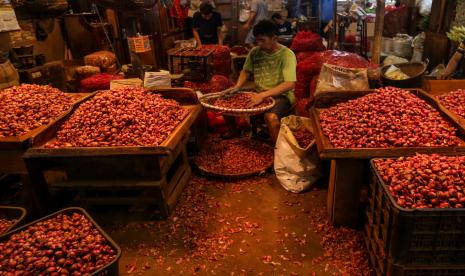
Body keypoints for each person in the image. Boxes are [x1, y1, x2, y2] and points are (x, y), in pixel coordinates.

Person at [232, 20, 297, 144]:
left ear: (274, 38)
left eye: (263, 40)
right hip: (259, 93)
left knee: (271, 118)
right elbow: (246, 71)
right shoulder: (255, 52)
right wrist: (237, 86)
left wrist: (262, 95)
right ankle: (238, 135)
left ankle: (279, 152)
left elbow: (289, 84)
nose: (259, 44)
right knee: (229, 103)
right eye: (257, 41)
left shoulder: (287, 55)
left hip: (281, 96)